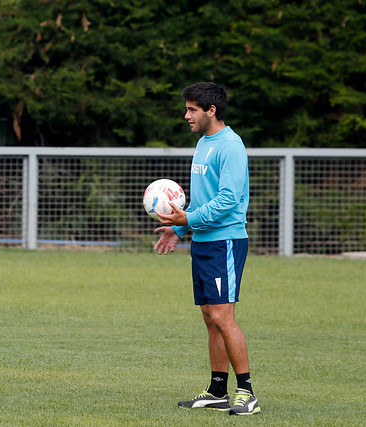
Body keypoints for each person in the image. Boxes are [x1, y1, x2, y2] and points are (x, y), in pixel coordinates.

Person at [154, 82, 260, 415]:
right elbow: (202, 200)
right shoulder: (203, 144)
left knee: (223, 317)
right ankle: (217, 390)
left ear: (210, 110)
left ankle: (247, 393)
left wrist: (189, 217)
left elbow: (228, 200)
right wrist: (179, 228)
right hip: (202, 241)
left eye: (192, 109)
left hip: (224, 241)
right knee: (209, 318)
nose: (186, 116)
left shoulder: (231, 146)